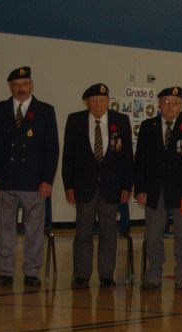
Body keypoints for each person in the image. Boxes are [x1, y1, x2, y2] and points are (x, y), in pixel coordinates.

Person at [0, 66, 59, 288]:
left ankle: (31, 272)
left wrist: (48, 180)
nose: (20, 88)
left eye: (24, 84)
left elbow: (52, 148)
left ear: (31, 85)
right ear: (10, 86)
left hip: (34, 183)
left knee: (34, 231)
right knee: (5, 229)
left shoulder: (45, 111)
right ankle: (6, 272)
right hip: (6, 181)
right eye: (16, 85)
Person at [62, 83, 133, 289]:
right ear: (87, 103)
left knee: (108, 233)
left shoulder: (121, 121)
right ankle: (82, 275)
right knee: (83, 232)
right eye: (93, 101)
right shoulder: (75, 121)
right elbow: (68, 157)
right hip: (84, 187)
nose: (98, 105)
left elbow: (128, 157)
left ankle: (106, 275)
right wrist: (69, 186)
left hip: (111, 188)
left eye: (102, 101)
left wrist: (127, 186)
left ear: (108, 101)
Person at [133, 86, 182, 291]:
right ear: (159, 105)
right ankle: (154, 271)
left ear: (180, 105)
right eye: (165, 102)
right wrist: (141, 189)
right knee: (153, 234)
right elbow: (140, 162)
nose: (170, 106)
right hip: (155, 192)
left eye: (174, 103)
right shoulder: (148, 126)